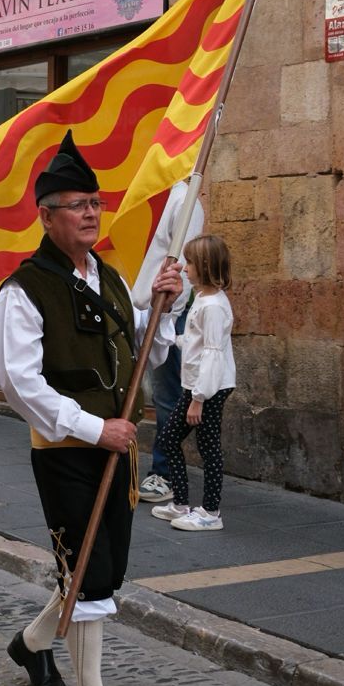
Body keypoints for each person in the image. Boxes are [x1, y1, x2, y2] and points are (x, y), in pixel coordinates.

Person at [0, 132, 183, 686]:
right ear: (45, 215)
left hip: (115, 453)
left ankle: (33, 642)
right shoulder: (25, 289)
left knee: (96, 569)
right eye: (75, 204)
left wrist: (162, 310)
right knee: (91, 573)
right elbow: (18, 382)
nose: (91, 214)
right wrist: (93, 429)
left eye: (95, 203)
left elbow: (142, 358)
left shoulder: (116, 280)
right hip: (68, 452)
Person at [150, 234, 236, 532]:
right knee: (170, 439)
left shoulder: (213, 306)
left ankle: (211, 512)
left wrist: (199, 398)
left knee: (208, 447)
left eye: (190, 262)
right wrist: (174, 340)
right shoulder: (202, 298)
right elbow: (199, 343)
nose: (185, 269)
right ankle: (181, 503)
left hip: (207, 388)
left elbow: (213, 354)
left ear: (205, 265)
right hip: (197, 385)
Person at [131, 181, 207, 505]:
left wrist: (170, 311)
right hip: (139, 306)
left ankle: (166, 472)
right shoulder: (139, 195)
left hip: (169, 309)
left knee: (168, 395)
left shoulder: (184, 201)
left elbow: (184, 268)